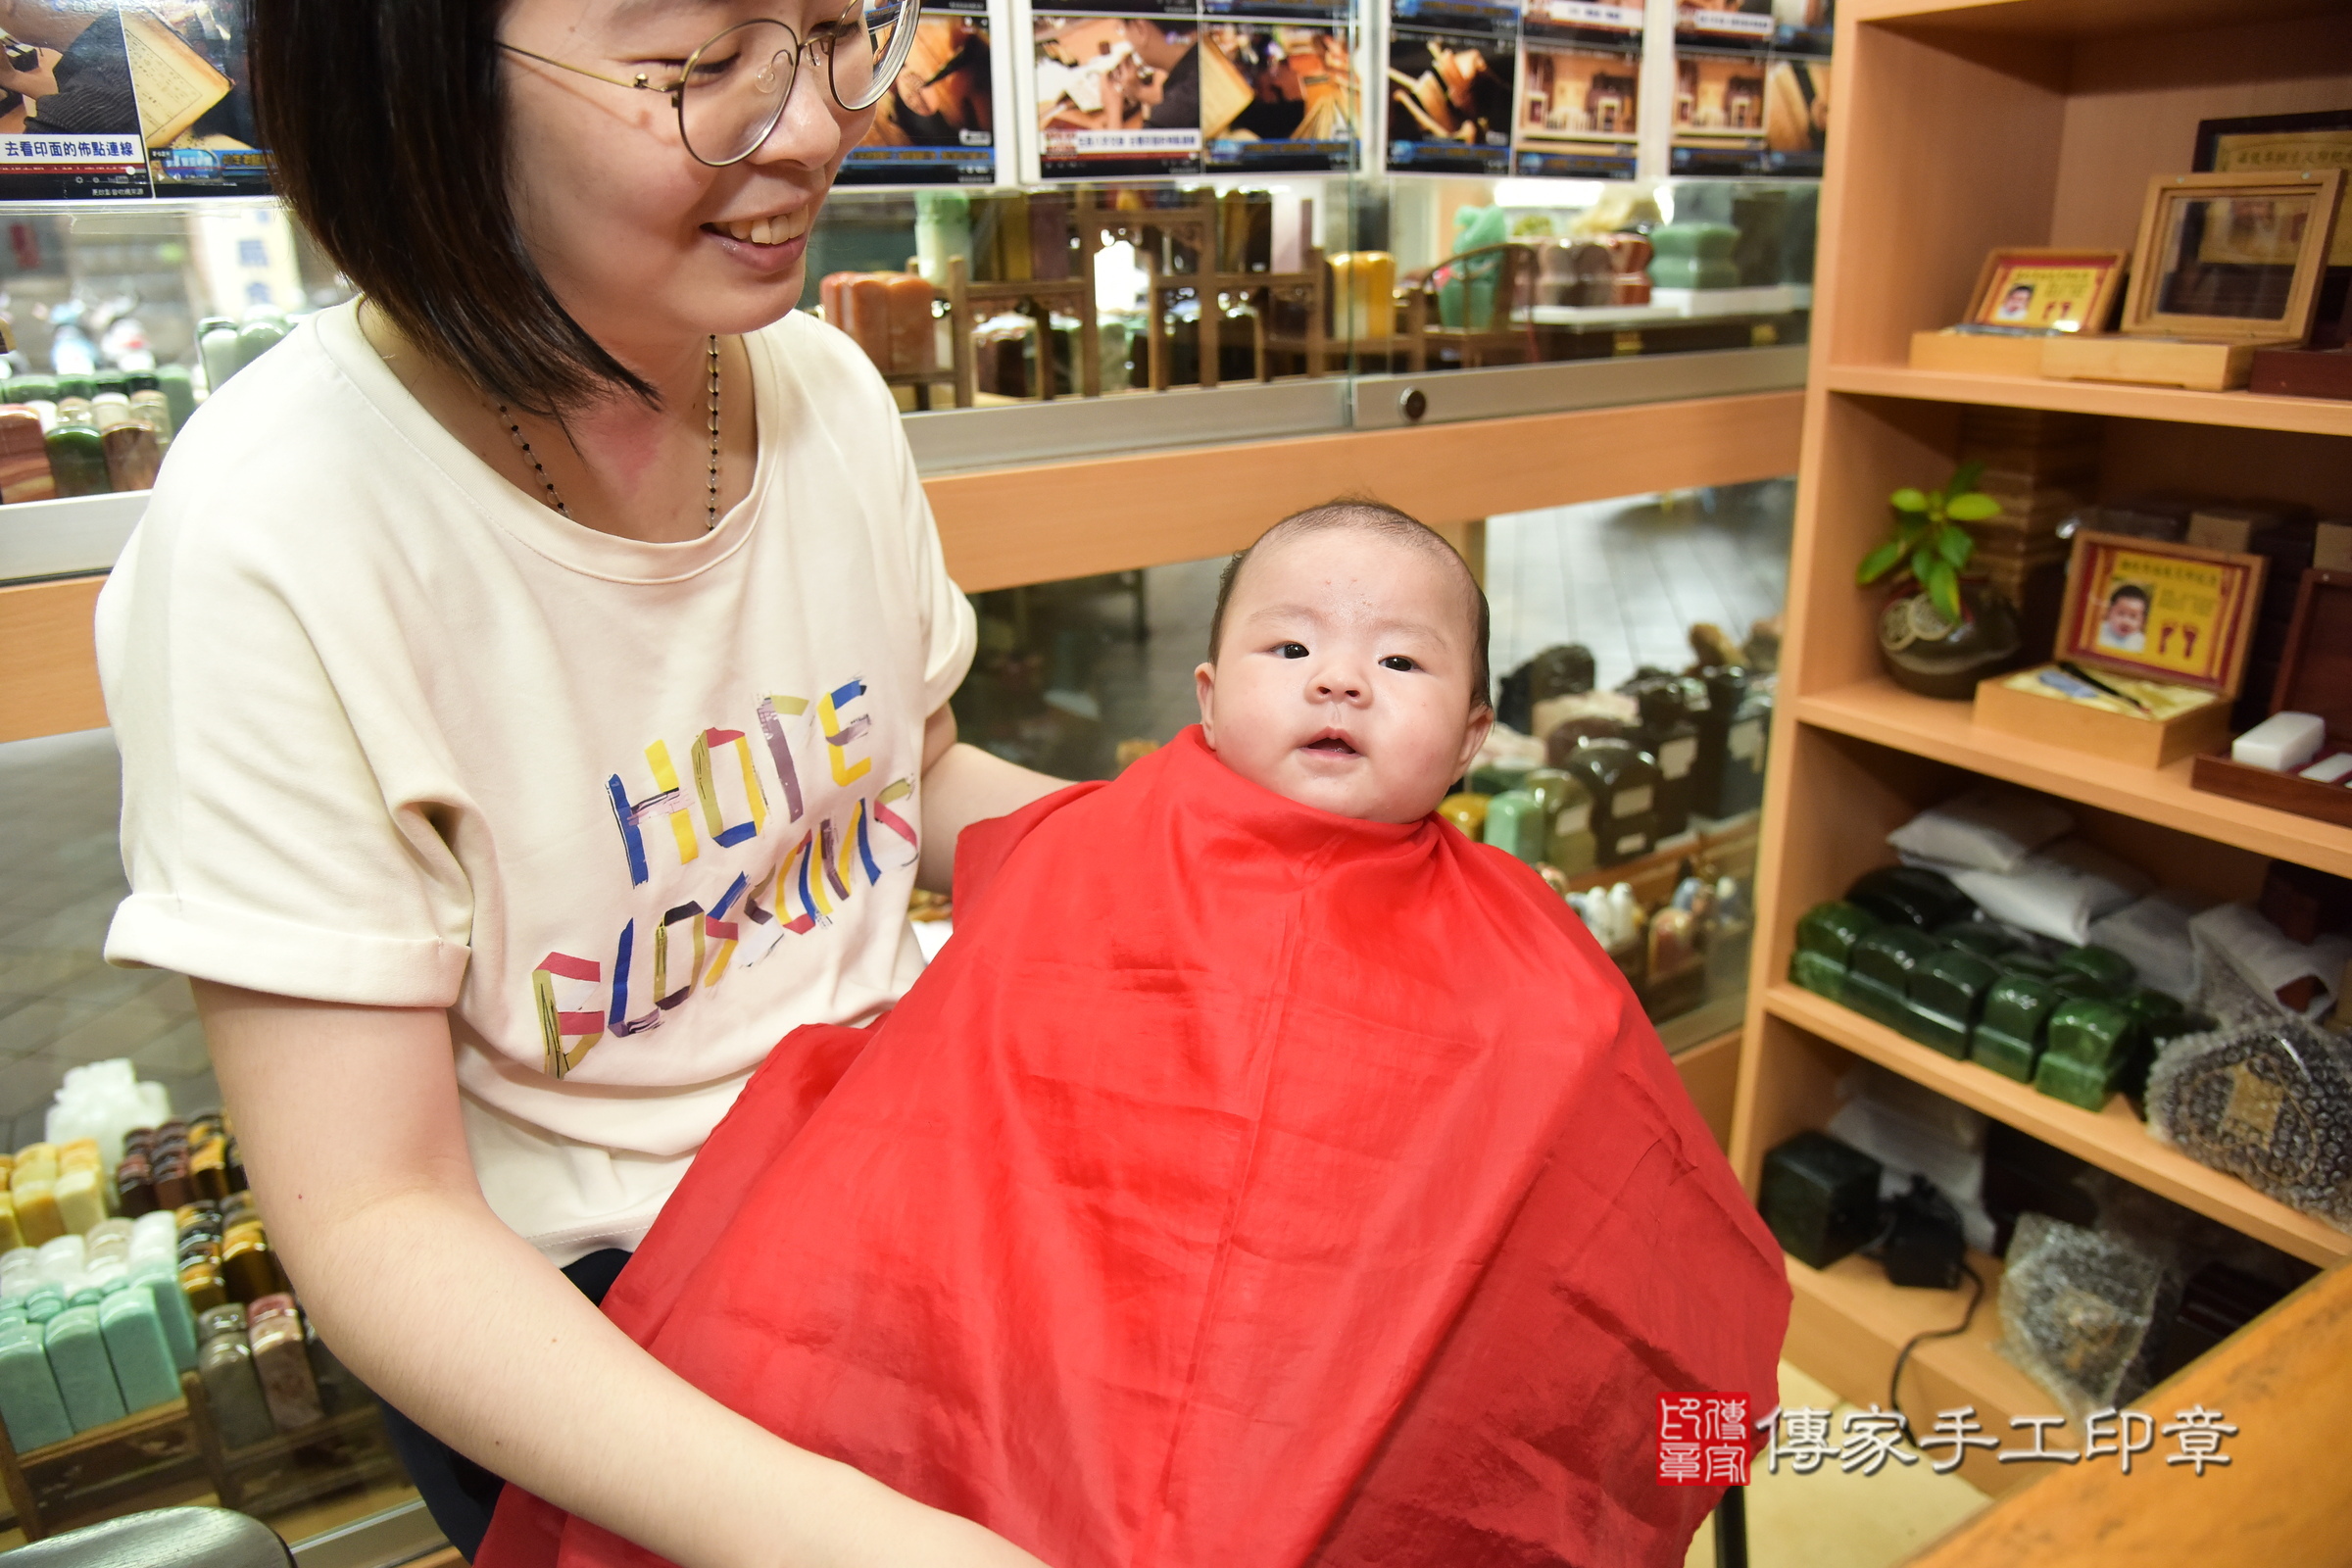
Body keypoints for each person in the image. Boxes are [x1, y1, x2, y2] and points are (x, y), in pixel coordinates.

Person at [96, 4, 1063, 1564]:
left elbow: (907, 779)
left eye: (833, 35)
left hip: (901, 1186)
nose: (811, 129)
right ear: (423, 84)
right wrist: (849, 1537)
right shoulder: (274, 538)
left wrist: (1197, 839)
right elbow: (371, 1216)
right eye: (696, 69)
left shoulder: (817, 387)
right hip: (590, 1326)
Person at [478, 502, 1789, 1568]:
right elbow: (989, 1083)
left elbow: (1609, 1174)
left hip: (1341, 1339)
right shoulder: (1099, 840)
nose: (1340, 675)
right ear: (1208, 702)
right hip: (1059, 1331)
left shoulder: (1522, 945)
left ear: (1472, 739)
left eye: (1400, 662)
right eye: (1291, 652)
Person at [2099, 582, 2151, 653]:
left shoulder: (2142, 643)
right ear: (2109, 612)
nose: (2126, 621)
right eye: (2121, 613)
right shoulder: (2099, 631)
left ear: (2143, 621)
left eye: (2133, 616)